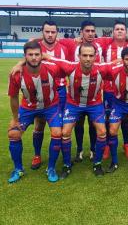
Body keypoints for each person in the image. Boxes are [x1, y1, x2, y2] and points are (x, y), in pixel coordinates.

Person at [48, 42, 113, 177]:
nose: (88, 58)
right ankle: (66, 165)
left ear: (96, 57)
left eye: (90, 55)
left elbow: (119, 63)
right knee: (65, 132)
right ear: (79, 56)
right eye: (84, 55)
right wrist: (20, 64)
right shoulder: (70, 67)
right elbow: (46, 57)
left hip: (94, 104)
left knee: (102, 132)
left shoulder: (102, 68)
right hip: (73, 104)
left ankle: (97, 163)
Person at [6, 41, 65, 183]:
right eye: (30, 55)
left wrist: (49, 57)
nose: (34, 58)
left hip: (51, 106)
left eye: (37, 54)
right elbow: (13, 98)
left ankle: (51, 168)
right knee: (13, 133)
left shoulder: (52, 68)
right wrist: (15, 119)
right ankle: (18, 169)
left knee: (57, 133)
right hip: (28, 107)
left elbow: (69, 67)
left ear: (41, 55)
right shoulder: (16, 74)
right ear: (25, 56)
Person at [97, 21, 128, 160]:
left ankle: (126, 143)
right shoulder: (106, 44)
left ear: (126, 32)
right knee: (108, 117)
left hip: (126, 88)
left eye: (122, 29)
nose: (119, 31)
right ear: (113, 32)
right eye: (117, 29)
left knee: (124, 116)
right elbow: (86, 38)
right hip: (109, 88)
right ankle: (107, 145)